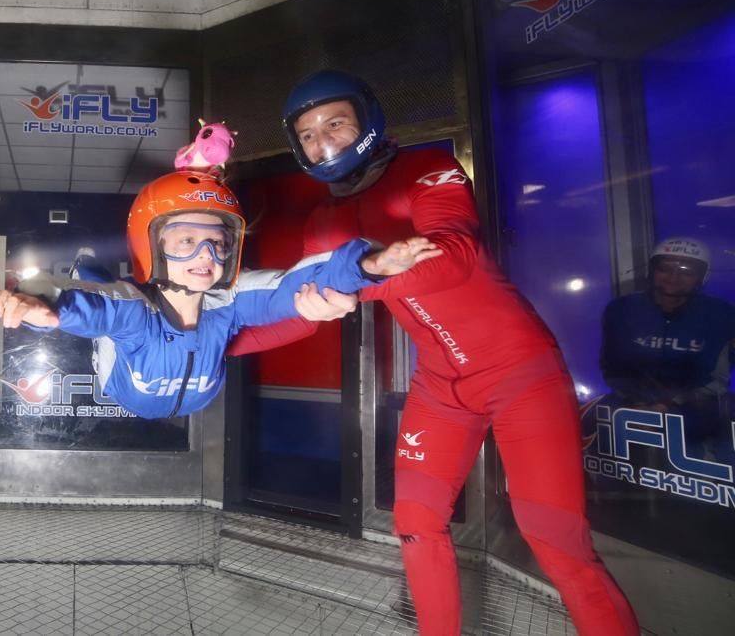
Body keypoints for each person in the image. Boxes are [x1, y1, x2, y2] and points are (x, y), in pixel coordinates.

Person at [226, 70, 639, 635]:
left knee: (555, 539)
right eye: (308, 134)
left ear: (366, 119)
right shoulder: (323, 221)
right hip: (443, 386)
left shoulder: (424, 169)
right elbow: (306, 312)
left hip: (522, 374)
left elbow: (454, 257)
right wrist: (218, 348)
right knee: (416, 522)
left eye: (336, 124)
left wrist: (361, 276)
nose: (324, 143)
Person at [0, 170, 442, 420]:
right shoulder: (134, 314)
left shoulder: (228, 304)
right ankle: (87, 260)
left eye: (218, 243)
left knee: (282, 301)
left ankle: (90, 265)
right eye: (186, 241)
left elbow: (289, 285)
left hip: (194, 394)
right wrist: (38, 304)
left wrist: (368, 265)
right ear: (152, 245)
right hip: (123, 389)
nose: (207, 255)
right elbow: (87, 307)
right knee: (100, 287)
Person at [601, 237, 734, 461]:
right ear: (652, 270)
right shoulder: (621, 310)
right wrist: (638, 403)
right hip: (631, 412)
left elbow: (718, 376)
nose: (674, 277)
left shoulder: (721, 314)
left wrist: (669, 405)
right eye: (665, 268)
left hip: (698, 422)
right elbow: (611, 365)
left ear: (701, 277)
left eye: (686, 270)